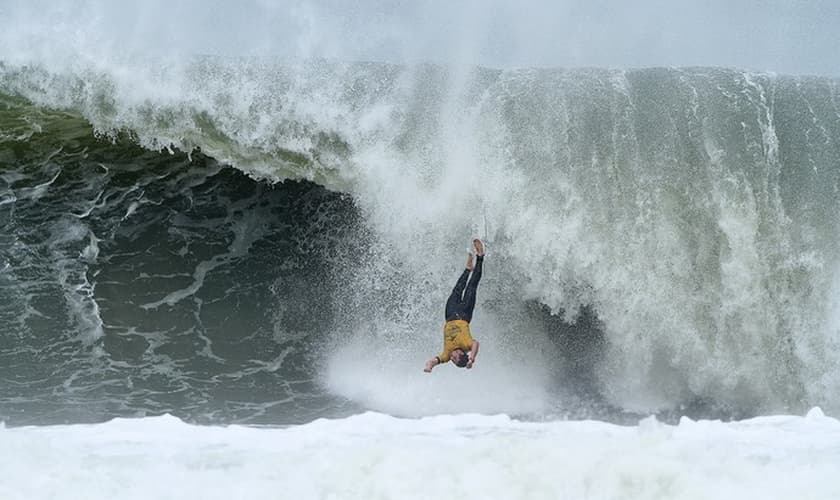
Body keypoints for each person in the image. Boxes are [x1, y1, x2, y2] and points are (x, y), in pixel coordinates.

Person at [424, 239, 484, 372]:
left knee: (456, 290)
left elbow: (433, 361)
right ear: (462, 354)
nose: (451, 358)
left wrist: (429, 366)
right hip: (464, 314)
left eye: (452, 360)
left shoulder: (446, 353)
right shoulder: (466, 345)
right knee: (471, 287)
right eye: (455, 358)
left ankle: (468, 269)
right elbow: (476, 344)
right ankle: (480, 256)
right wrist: (472, 358)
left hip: (450, 315)